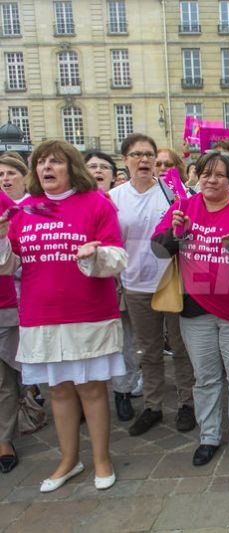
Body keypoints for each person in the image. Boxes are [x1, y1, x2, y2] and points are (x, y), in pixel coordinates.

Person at [0, 139, 128, 491]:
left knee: (91, 389)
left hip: (88, 314)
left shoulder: (95, 203)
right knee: (58, 390)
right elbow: (10, 265)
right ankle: (69, 460)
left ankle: (102, 459)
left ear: (72, 167)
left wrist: (93, 255)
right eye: (41, 162)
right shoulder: (24, 210)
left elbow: (119, 258)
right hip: (40, 315)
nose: (47, 168)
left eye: (55, 162)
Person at [152, 150, 229, 466]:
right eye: (206, 173)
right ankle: (210, 436)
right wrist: (176, 232)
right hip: (195, 310)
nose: (211, 179)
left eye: (219, 174)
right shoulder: (182, 207)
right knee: (206, 378)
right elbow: (159, 251)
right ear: (197, 176)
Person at [110, 133, 196, 437]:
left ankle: (187, 403)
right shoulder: (114, 198)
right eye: (136, 155)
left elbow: (189, 230)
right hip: (135, 284)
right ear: (125, 161)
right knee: (148, 350)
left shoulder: (172, 192)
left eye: (148, 154)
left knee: (182, 348)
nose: (144, 160)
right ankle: (153, 406)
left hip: (171, 282)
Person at [84, 150, 140, 422]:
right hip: (84, 286)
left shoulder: (121, 200)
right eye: (92, 166)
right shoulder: (74, 203)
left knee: (125, 340)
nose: (98, 171)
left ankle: (123, 392)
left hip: (121, 281)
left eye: (104, 167)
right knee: (87, 343)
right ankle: (85, 399)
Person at [0, 155, 26, 474]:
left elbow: (16, 250)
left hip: (3, 300)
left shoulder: (6, 205)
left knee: (5, 377)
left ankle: (4, 438)